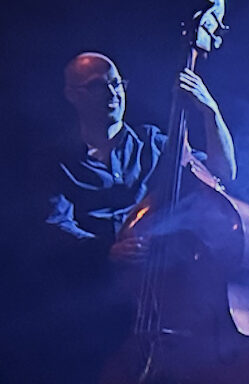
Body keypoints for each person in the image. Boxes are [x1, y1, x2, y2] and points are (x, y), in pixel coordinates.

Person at [45, 52, 238, 252]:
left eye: (116, 83)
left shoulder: (152, 142)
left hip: (159, 270)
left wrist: (210, 112)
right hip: (91, 276)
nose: (112, 93)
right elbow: (57, 228)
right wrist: (106, 251)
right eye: (97, 86)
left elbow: (221, 173)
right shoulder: (58, 161)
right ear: (72, 95)